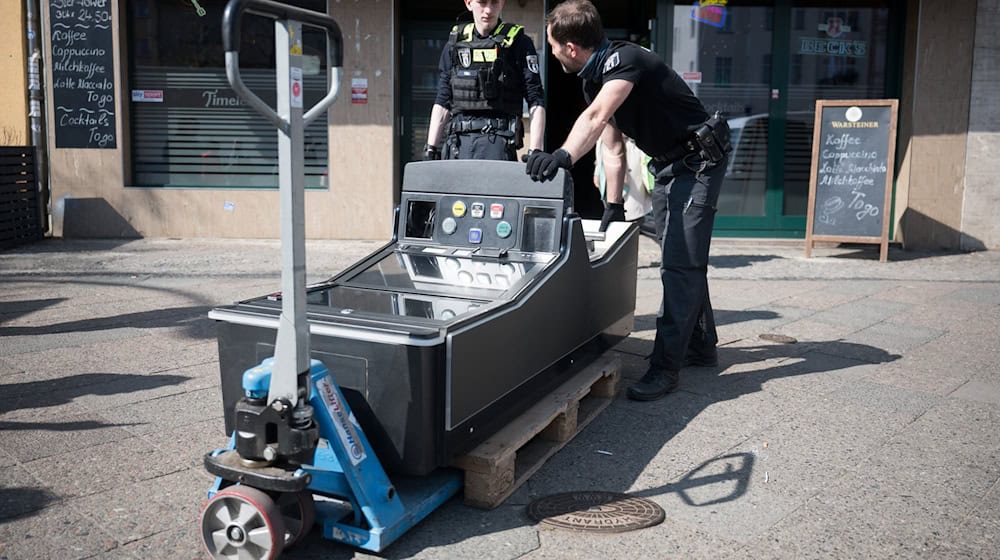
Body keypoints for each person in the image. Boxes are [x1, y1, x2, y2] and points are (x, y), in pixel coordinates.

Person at [525, 0, 731, 401]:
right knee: (682, 258)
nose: (550, 53)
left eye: (551, 45)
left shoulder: (626, 59)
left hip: (700, 161)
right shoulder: (592, 79)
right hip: (669, 166)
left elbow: (597, 117)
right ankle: (701, 346)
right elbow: (613, 146)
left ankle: (665, 368)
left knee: (680, 264)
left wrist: (562, 157)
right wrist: (614, 203)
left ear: (570, 47)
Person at [424, 0, 546, 161]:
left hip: (498, 145)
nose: (488, 10)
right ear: (468, 3)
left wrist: (535, 150)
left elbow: (535, 98)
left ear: (502, 3)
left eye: (494, 2)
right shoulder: (454, 44)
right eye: (482, 2)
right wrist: (430, 148)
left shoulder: (519, 43)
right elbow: (443, 99)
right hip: (458, 147)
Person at [593, 135, 653, 226]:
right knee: (611, 198)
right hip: (608, 149)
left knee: (634, 204)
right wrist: (597, 171)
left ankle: (634, 225)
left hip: (631, 150)